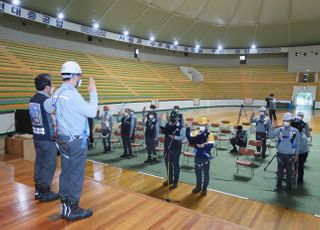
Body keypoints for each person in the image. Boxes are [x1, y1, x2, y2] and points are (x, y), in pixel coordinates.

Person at [45, 61, 98, 221]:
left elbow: (48, 107)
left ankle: (65, 206)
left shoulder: (57, 93)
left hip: (61, 140)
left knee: (66, 172)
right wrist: (93, 92)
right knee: (76, 174)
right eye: (79, 76)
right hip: (75, 142)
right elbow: (92, 112)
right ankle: (73, 209)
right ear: (74, 76)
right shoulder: (72, 94)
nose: (80, 79)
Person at [29, 73, 59, 202]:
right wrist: (53, 96)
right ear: (47, 86)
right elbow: (55, 115)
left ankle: (38, 189)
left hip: (37, 137)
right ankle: (45, 192)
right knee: (49, 165)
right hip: (47, 138)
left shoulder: (32, 99)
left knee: (40, 163)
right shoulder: (47, 101)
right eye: (51, 84)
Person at [269, 113, 300, 191]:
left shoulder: (295, 131)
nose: (286, 122)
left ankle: (289, 186)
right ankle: (279, 185)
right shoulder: (279, 130)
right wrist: (272, 127)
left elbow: (298, 144)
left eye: (287, 120)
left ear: (291, 121)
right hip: (280, 155)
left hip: (290, 155)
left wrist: (296, 155)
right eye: (284, 120)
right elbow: (270, 136)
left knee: (289, 171)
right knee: (280, 171)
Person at [186, 117, 215, 196]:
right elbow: (189, 138)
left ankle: (204, 188)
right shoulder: (195, 132)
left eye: (203, 125)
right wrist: (188, 127)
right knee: (198, 172)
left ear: (206, 125)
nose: (201, 126)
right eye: (200, 124)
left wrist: (203, 146)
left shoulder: (210, 134)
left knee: (205, 173)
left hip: (205, 156)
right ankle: (198, 186)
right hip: (197, 156)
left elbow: (211, 144)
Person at [160, 111, 186, 190]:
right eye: (171, 118)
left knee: (175, 165)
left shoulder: (181, 127)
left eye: (174, 118)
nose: (172, 119)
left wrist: (174, 137)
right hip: (167, 148)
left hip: (176, 149)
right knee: (168, 164)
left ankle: (175, 181)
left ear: (178, 118)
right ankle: (170, 179)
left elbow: (183, 137)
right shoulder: (168, 125)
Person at [292, 112, 310, 184]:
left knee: (295, 164)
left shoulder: (295, 135)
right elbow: (307, 134)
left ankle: (294, 177)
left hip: (300, 152)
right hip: (305, 152)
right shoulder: (303, 133)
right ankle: (299, 180)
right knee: (300, 166)